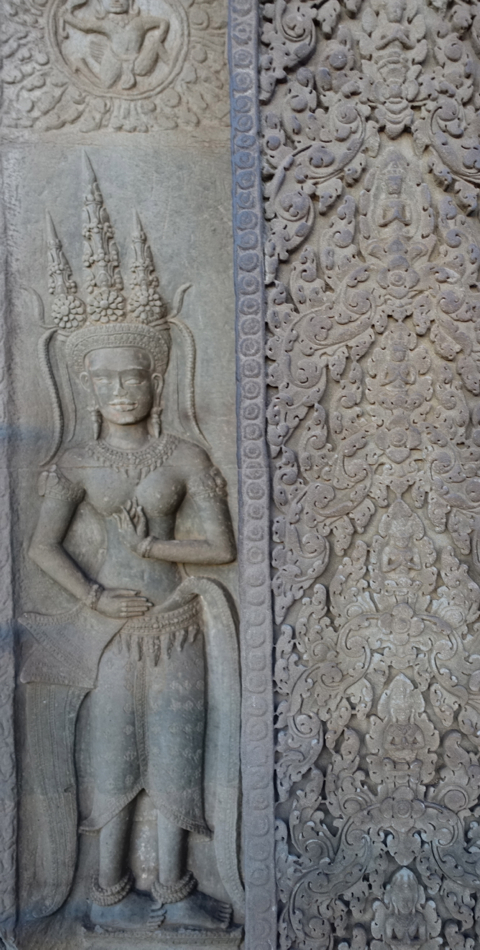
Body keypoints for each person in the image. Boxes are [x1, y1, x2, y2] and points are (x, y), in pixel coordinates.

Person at [23, 165, 241, 933]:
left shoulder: (182, 455)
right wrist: (89, 595)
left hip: (176, 621)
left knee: (178, 756)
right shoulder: (77, 464)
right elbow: (43, 547)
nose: (121, 387)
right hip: (113, 630)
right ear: (86, 386)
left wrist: (165, 545)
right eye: (106, 377)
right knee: (113, 762)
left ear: (157, 379)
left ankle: (176, 889)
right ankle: (107, 895)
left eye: (135, 374)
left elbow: (219, 546)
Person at [60, 0, 170, 91]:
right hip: (114, 58)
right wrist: (67, 17)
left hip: (137, 60)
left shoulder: (139, 22)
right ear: (101, 4)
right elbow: (85, 26)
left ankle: (170, 66)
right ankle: (80, 65)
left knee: (154, 46)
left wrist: (159, 37)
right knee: (105, 85)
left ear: (130, 3)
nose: (116, 1)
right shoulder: (106, 24)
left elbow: (163, 22)